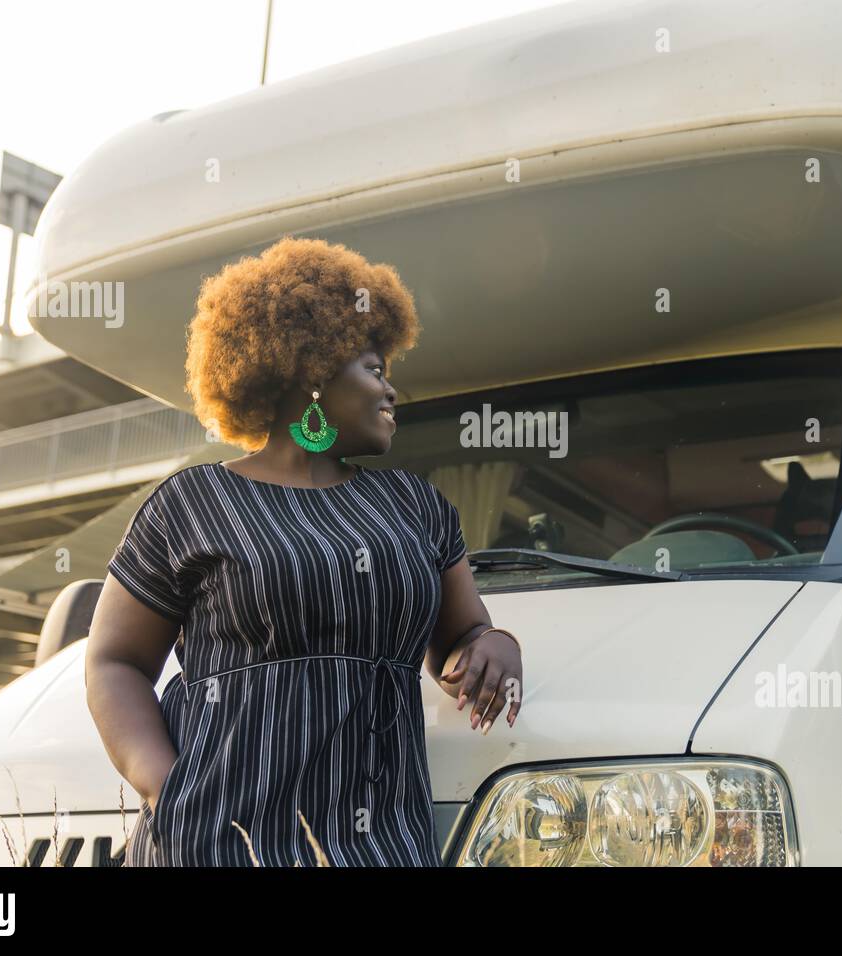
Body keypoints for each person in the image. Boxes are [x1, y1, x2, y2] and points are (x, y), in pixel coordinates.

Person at [84, 236, 523, 866]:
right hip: (215, 845)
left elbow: (462, 636)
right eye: (374, 370)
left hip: (382, 846)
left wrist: (495, 645)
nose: (391, 392)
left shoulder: (417, 508)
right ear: (313, 371)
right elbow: (114, 663)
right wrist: (168, 789)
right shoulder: (192, 503)